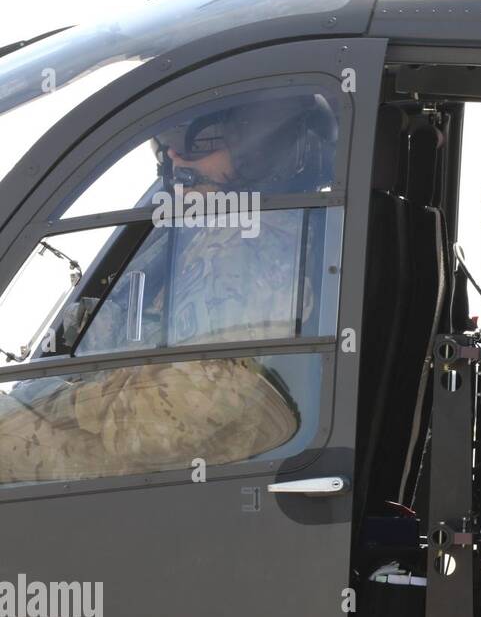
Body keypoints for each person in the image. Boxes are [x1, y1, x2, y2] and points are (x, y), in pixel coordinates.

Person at [0, 92, 336, 485]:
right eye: (168, 142)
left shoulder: (248, 245)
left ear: (262, 147)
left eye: (195, 142)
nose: (175, 157)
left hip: (184, 470)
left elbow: (174, 419)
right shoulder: (204, 229)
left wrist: (66, 403)